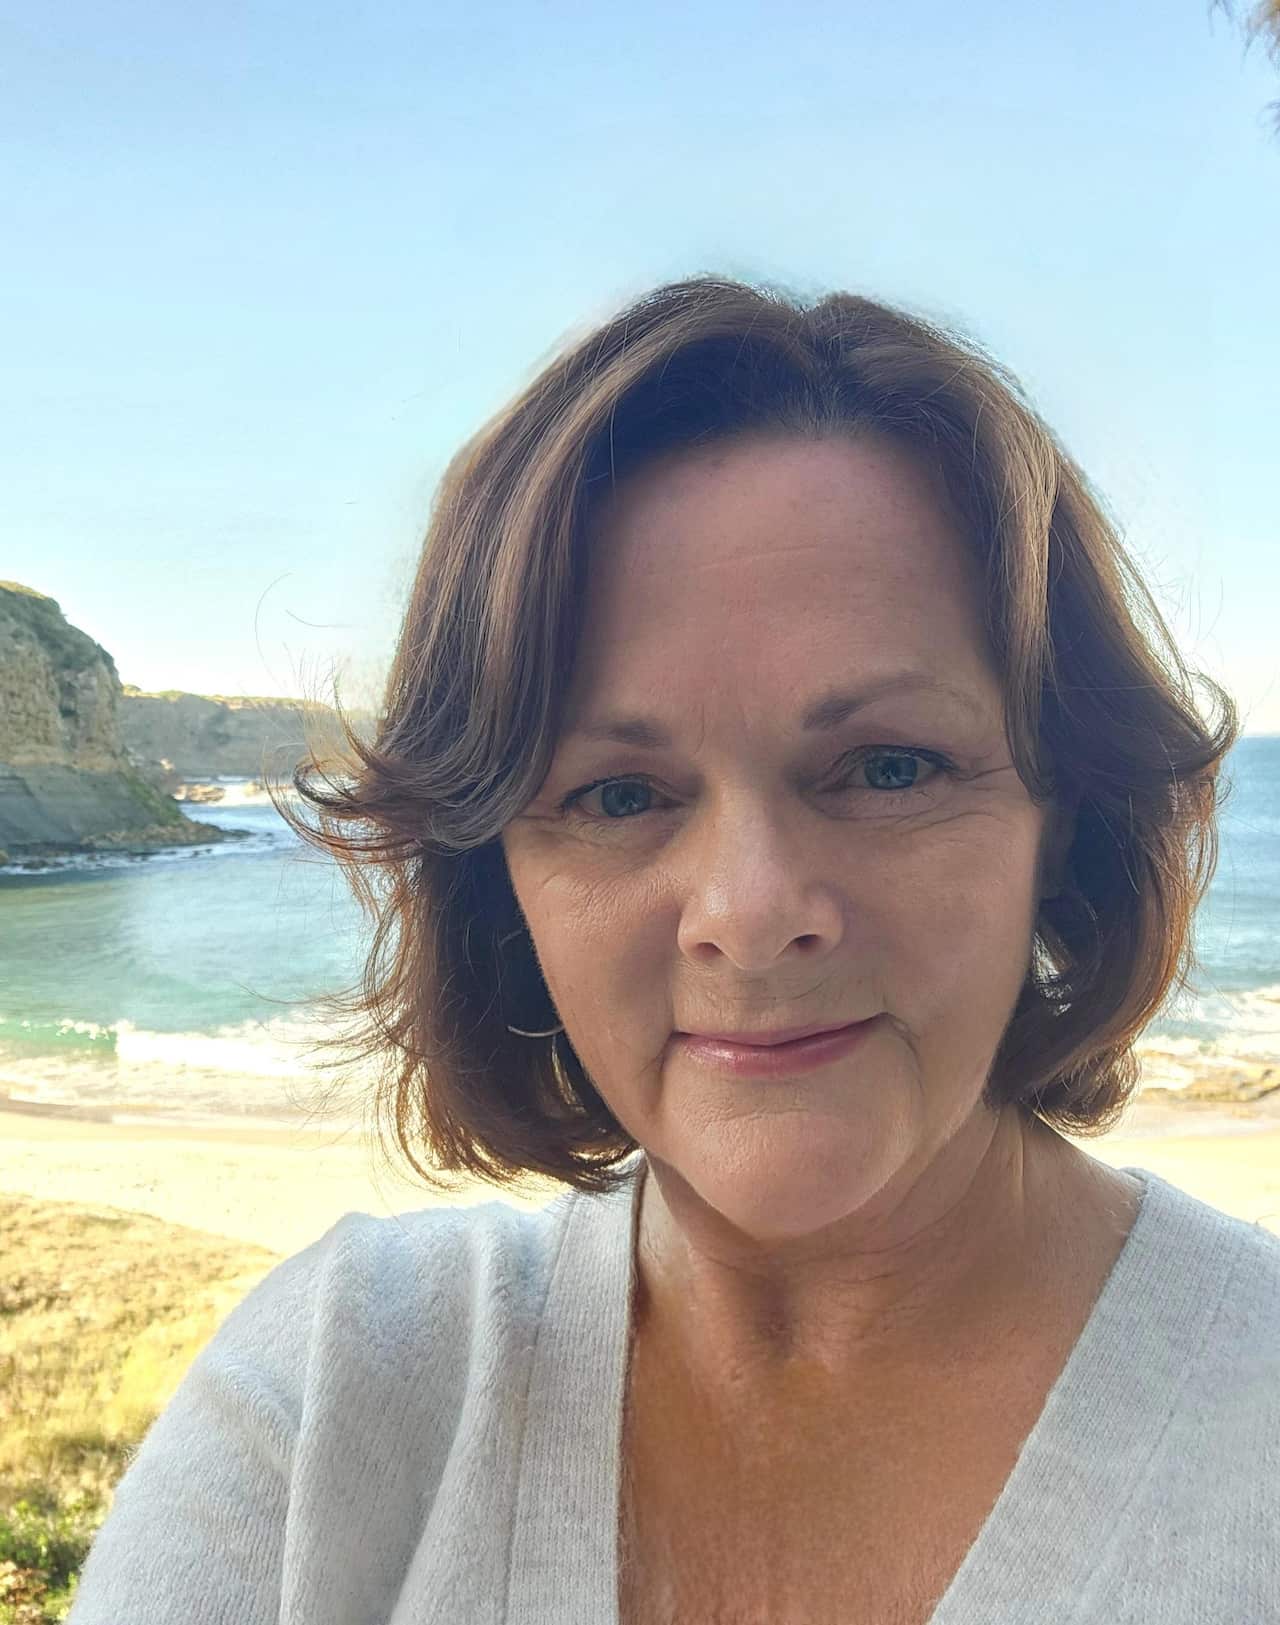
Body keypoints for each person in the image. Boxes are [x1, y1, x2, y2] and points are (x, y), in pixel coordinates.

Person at [67, 275, 1278, 1624]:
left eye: (886, 766)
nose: (751, 910)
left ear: (1066, 817)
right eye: (619, 794)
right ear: (500, 885)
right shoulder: (331, 1409)